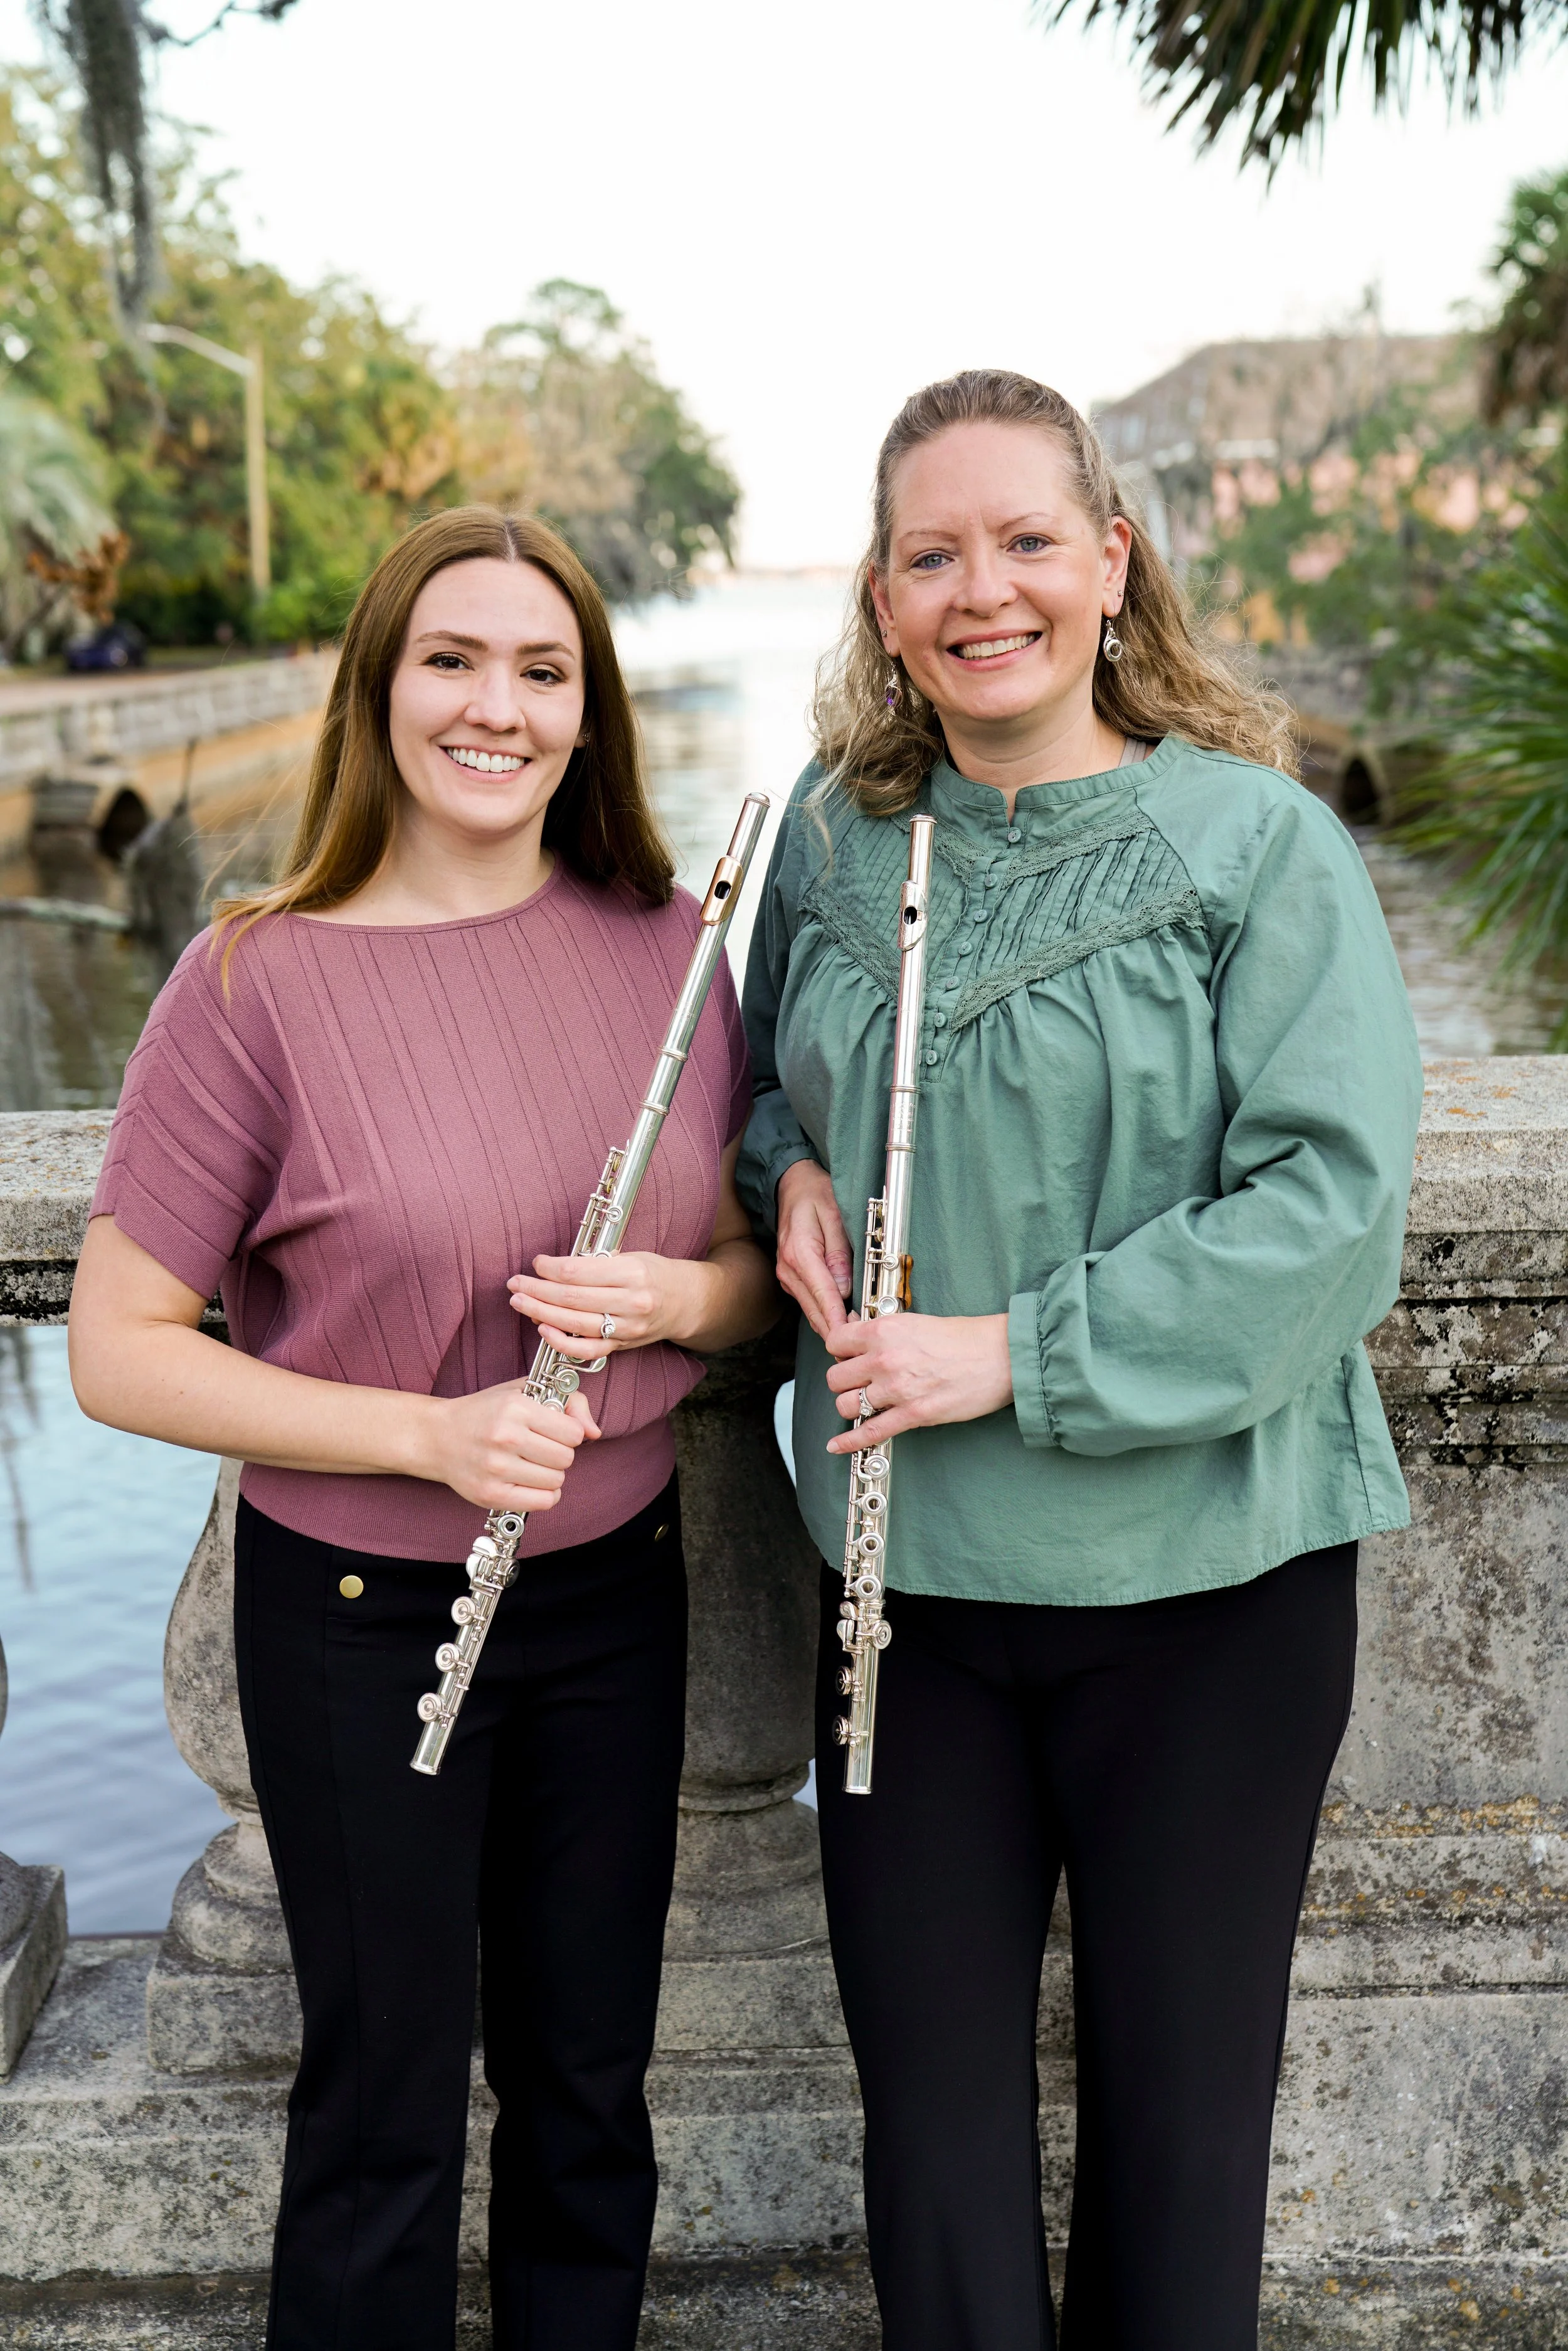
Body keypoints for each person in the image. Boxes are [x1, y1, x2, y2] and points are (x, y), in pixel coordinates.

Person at [737, 371, 1422, 2351]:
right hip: (906, 1602)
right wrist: (777, 1175)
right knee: (935, 2167)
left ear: (1110, 561)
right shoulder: (833, 846)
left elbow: (1328, 1214)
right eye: (931, 554)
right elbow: (766, 1086)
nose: (983, 591)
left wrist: (1007, 1355)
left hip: (1210, 1593)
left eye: (1026, 540)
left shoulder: (1255, 846)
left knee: (1176, 2157)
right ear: (880, 600)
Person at [68, 507, 777, 2351]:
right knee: (384, 2120)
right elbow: (120, 1351)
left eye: (544, 670)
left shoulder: (671, 951)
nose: (498, 706)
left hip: (618, 1594)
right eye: (452, 660)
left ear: (588, 710)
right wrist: (424, 1435)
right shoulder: (255, 980)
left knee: (586, 2103)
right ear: (378, 687)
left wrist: (682, 1305)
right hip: (361, 1616)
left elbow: (739, 1275)